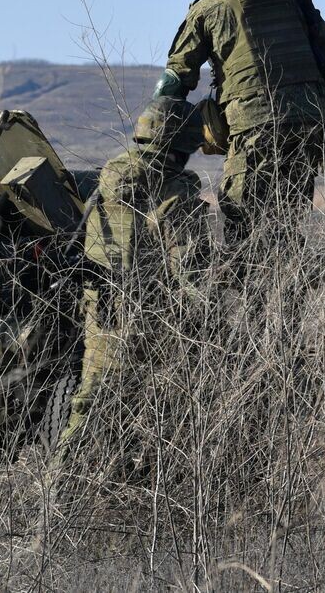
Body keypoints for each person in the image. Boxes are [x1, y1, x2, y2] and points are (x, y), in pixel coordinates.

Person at [156, 0, 325, 252]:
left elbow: (173, 83)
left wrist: (155, 141)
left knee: (242, 223)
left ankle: (248, 300)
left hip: (253, 130)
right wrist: (314, 111)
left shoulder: (209, 8)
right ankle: (291, 297)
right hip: (309, 130)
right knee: (286, 225)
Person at [60, 96, 211, 448]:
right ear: (184, 143)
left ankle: (62, 490)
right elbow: (189, 271)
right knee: (157, 414)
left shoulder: (108, 180)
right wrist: (207, 320)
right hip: (152, 318)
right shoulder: (173, 191)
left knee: (92, 402)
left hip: (102, 310)